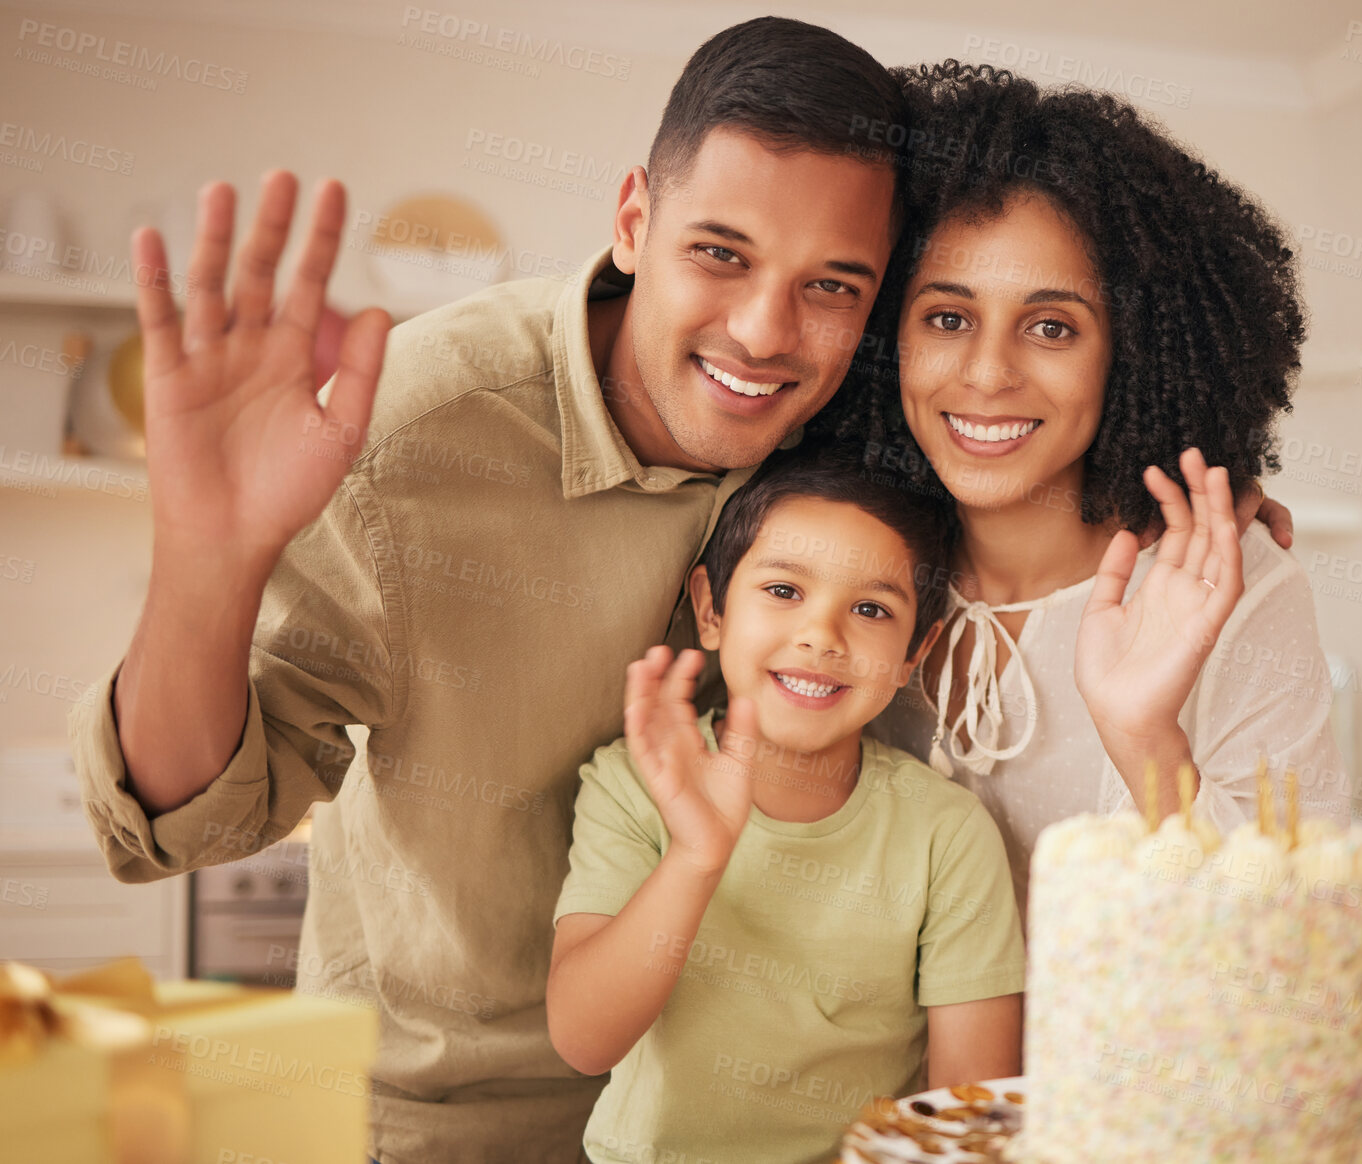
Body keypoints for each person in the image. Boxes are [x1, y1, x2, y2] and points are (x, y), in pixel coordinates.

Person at [68, 19, 912, 1162]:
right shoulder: (411, 429)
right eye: (720, 253)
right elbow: (188, 823)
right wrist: (202, 563)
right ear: (632, 218)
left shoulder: (877, 430)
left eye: (830, 285)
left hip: (759, 1125)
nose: (765, 332)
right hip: (464, 1124)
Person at [821, 62, 1348, 915]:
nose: (987, 373)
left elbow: (1296, 932)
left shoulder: (1224, 585)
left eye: (1051, 327)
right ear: (890, 337)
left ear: (1134, 354)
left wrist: (1143, 737)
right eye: (947, 318)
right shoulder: (835, 550)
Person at [546, 444, 1023, 1163]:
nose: (820, 636)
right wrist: (697, 855)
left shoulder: (946, 832)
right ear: (710, 609)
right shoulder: (629, 784)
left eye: (869, 609)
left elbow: (970, 1109)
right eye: (783, 591)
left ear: (912, 653)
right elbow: (583, 1042)